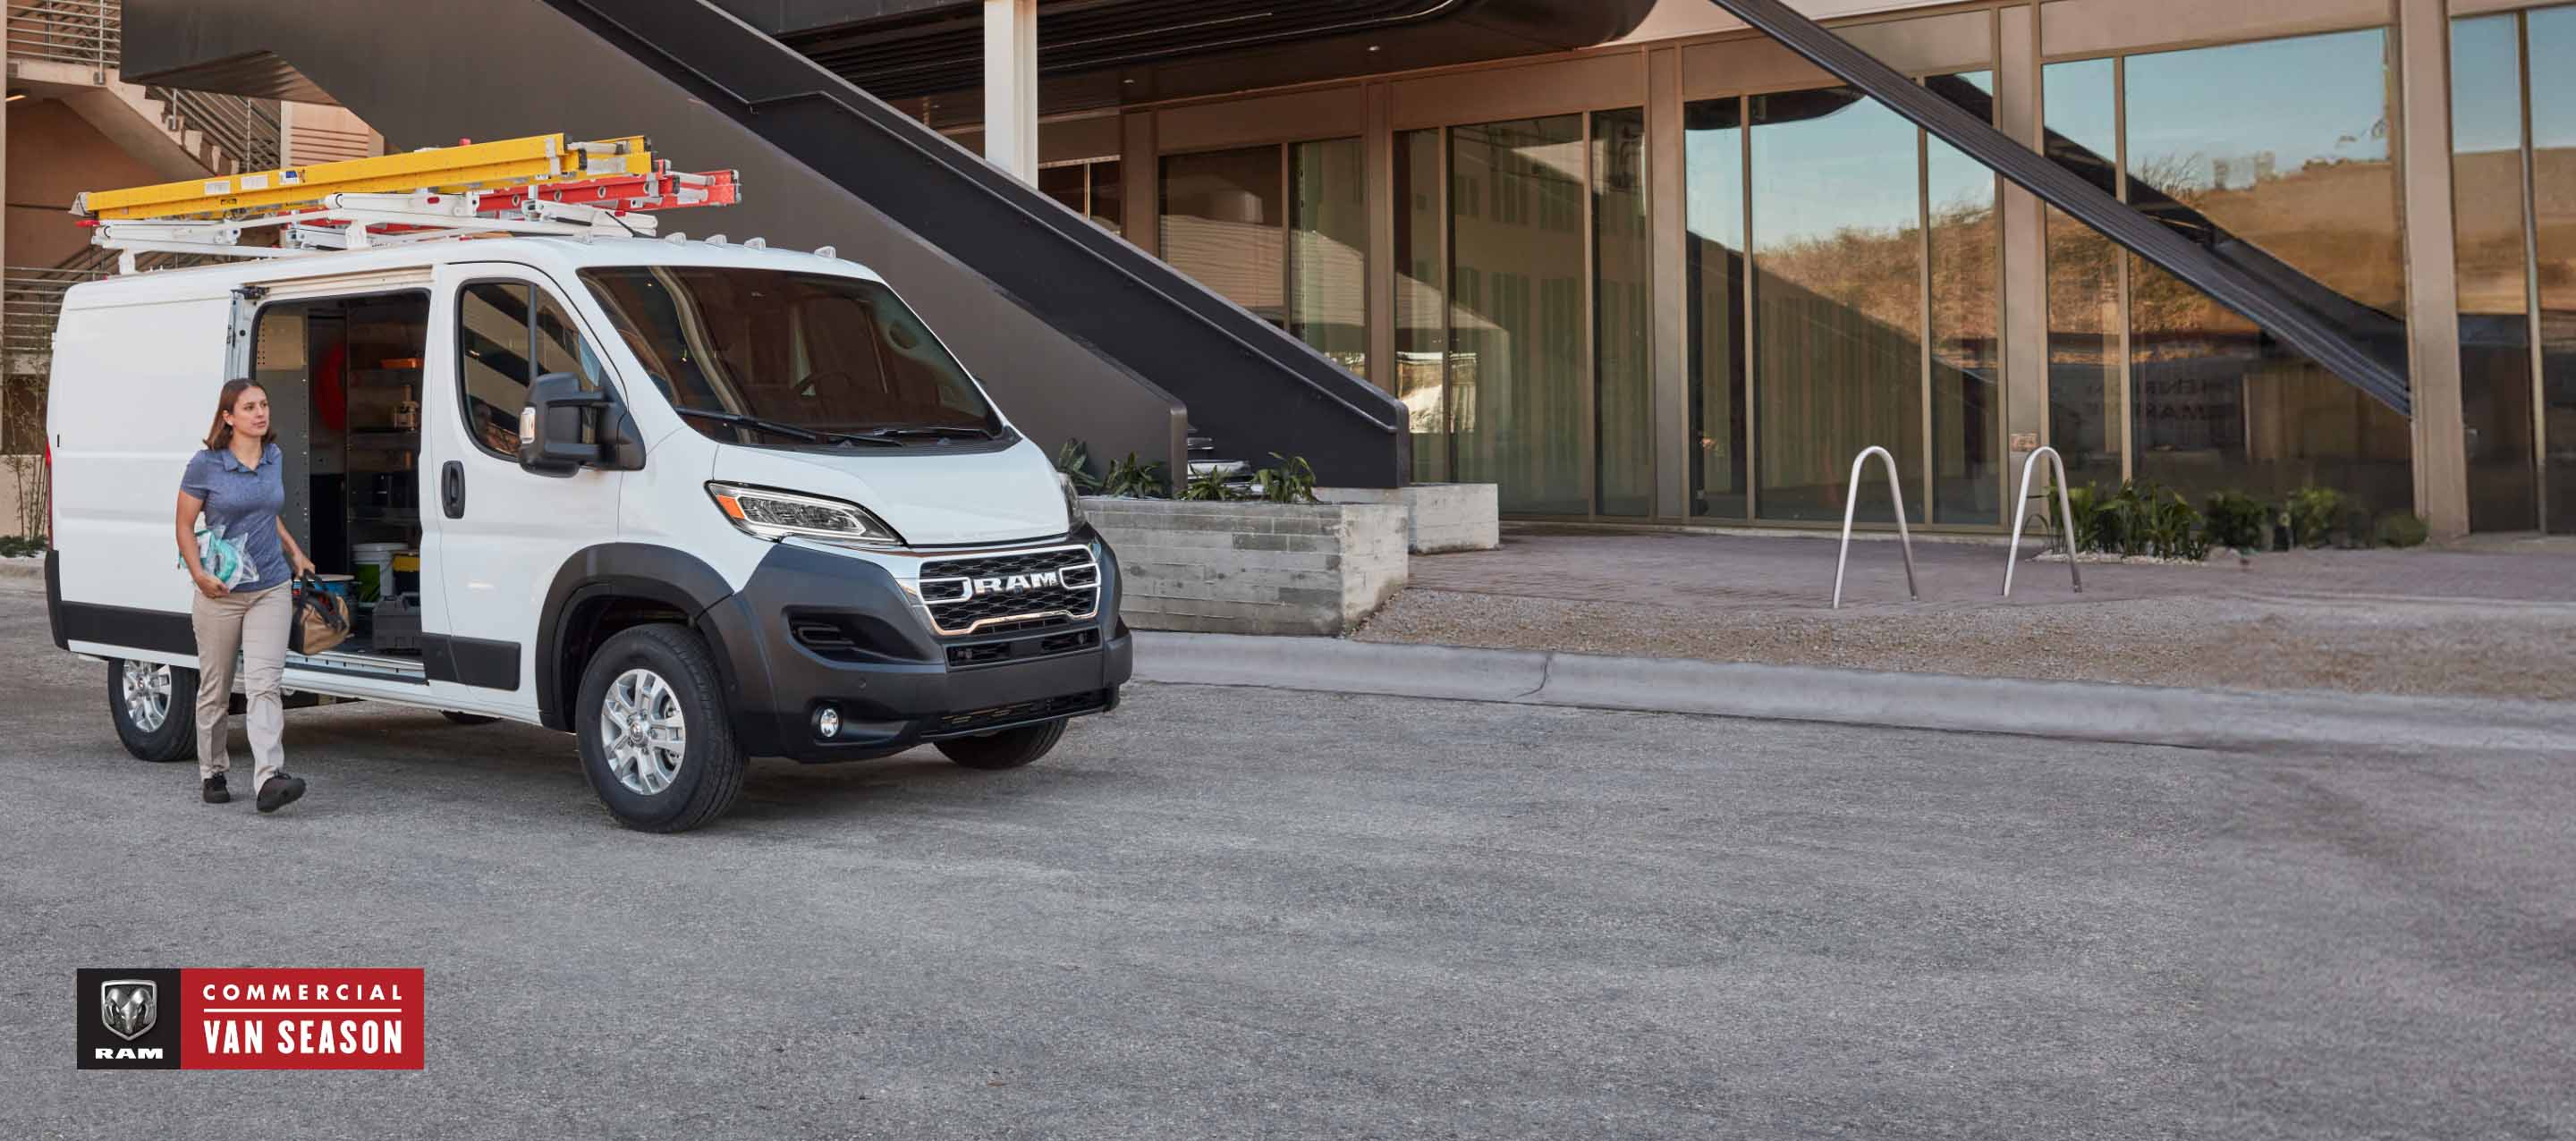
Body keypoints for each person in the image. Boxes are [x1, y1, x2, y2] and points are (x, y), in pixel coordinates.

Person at [175, 378, 317, 813]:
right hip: (220, 590)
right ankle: (213, 769)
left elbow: (266, 515)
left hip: (270, 587)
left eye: (264, 405)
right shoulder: (206, 465)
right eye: (250, 407)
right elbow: (183, 524)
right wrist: (199, 576)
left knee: (265, 686)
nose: (260, 413)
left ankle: (269, 778)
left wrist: (295, 552)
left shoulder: (273, 457)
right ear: (228, 417)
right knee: (216, 688)